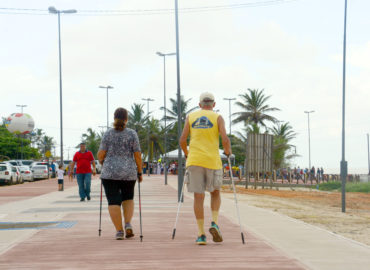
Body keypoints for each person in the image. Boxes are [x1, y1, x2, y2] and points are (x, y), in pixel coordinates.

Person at [180, 92, 231, 245]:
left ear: (200, 104)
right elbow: (225, 139)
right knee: (215, 193)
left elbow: (182, 139)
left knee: (198, 197)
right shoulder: (218, 117)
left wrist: (187, 154)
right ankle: (214, 222)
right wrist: (228, 151)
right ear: (213, 105)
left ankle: (201, 234)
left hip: (194, 160)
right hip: (212, 161)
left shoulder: (191, 117)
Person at [97, 107, 143, 240]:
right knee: (128, 198)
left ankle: (119, 231)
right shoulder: (132, 134)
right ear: (126, 119)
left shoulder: (108, 134)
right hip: (128, 172)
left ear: (114, 118)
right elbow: (137, 154)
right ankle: (128, 223)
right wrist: (139, 172)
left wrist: (103, 162)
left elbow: (101, 154)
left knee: (113, 201)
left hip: (110, 173)